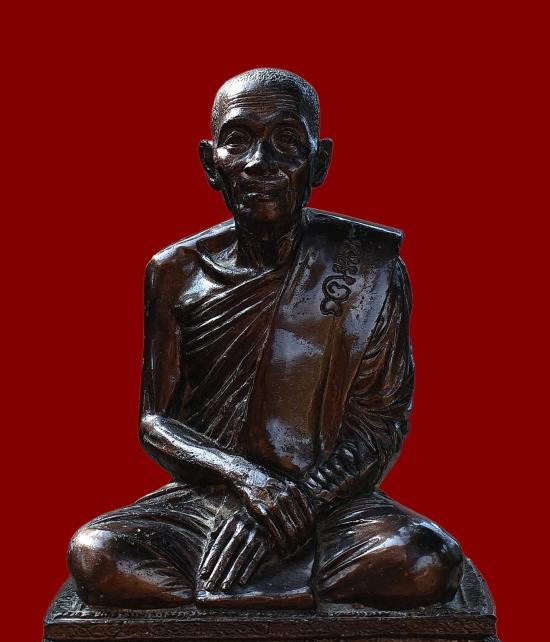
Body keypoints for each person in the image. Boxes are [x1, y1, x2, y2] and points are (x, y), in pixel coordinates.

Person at [68, 68, 463, 610]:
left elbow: (379, 424)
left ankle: (229, 593)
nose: (261, 163)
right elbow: (156, 421)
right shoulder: (175, 271)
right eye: (239, 141)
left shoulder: (364, 266)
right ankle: (274, 592)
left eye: (287, 141)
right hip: (209, 501)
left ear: (319, 162)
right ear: (210, 164)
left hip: (328, 501)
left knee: (425, 560)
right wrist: (247, 480)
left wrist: (297, 505)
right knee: (96, 554)